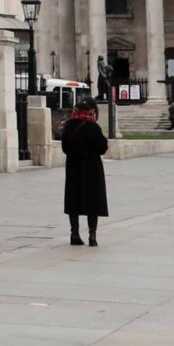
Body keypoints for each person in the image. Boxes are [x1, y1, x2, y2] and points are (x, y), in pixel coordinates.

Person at [60, 104, 109, 245]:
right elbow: (102, 148)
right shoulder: (93, 127)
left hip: (73, 167)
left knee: (73, 199)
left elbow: (65, 147)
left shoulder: (69, 126)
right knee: (92, 201)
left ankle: (74, 233)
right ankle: (92, 235)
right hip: (92, 168)